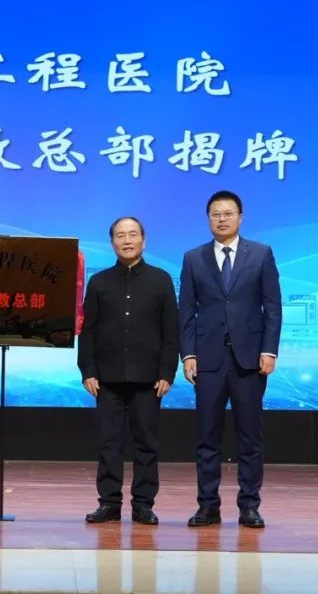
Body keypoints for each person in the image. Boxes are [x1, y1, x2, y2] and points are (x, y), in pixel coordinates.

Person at [179, 190, 281, 529]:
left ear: (240, 217)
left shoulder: (261, 254)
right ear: (208, 218)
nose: (221, 219)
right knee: (206, 437)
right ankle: (208, 506)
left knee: (250, 437)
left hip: (249, 360)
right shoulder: (193, 258)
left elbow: (272, 306)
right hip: (208, 360)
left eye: (228, 213)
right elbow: (186, 311)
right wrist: (188, 353)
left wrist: (268, 350)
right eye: (215, 214)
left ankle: (249, 506)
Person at [78, 217, 180, 525]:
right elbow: (88, 330)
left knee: (146, 443)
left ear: (144, 241)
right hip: (107, 378)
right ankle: (109, 503)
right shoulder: (99, 282)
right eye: (120, 236)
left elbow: (171, 331)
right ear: (112, 243)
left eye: (133, 234)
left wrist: (167, 372)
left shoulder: (161, 280)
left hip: (148, 378)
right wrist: (87, 370)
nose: (127, 240)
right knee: (109, 442)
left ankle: (143, 504)